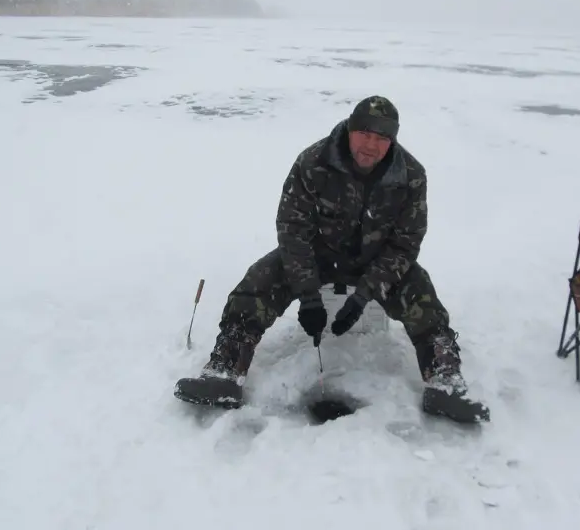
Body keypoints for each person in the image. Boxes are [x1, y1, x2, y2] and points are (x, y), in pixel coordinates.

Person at [174, 96, 490, 424]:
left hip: (376, 261)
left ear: (392, 140)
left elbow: (403, 246)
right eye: (365, 134)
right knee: (259, 281)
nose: (371, 145)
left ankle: (444, 382)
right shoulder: (313, 163)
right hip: (316, 257)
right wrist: (308, 294)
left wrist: (365, 294)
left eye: (382, 138)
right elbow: (293, 232)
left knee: (422, 293)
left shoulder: (410, 176)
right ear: (350, 129)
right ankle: (223, 372)